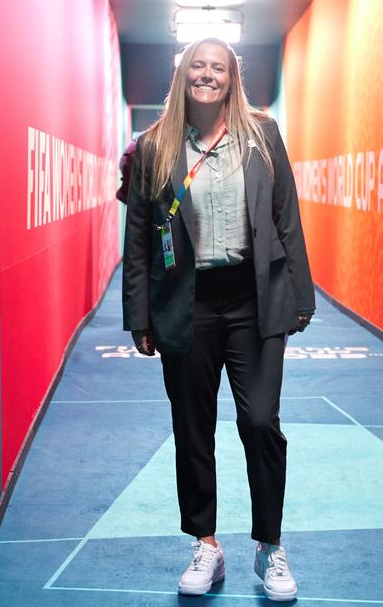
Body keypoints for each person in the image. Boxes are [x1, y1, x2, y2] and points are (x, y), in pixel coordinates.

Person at [122, 38, 314, 602]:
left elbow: (287, 217)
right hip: (186, 303)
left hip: (255, 300)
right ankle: (206, 544)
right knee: (192, 427)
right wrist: (140, 314)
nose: (207, 75)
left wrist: (300, 296)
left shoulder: (262, 135)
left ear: (233, 79)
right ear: (183, 76)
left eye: (219, 68)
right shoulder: (154, 146)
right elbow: (139, 239)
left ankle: (270, 546)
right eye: (198, 66)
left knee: (260, 423)